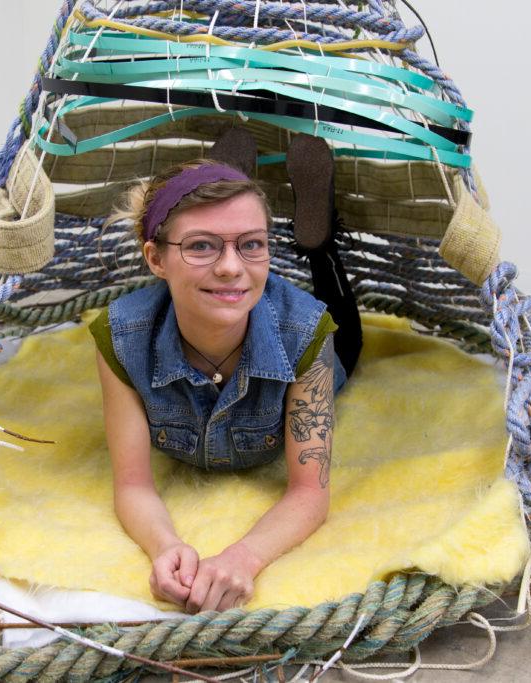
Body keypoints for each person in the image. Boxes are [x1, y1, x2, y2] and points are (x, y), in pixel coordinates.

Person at [89, 130, 362, 613]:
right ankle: (230, 188)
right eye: (201, 246)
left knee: (345, 324)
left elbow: (309, 493)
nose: (231, 267)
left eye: (251, 244)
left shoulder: (307, 331)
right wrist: (164, 546)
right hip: (226, 316)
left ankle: (315, 241)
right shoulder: (122, 337)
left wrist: (244, 557)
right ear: (155, 258)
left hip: (318, 340)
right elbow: (133, 485)